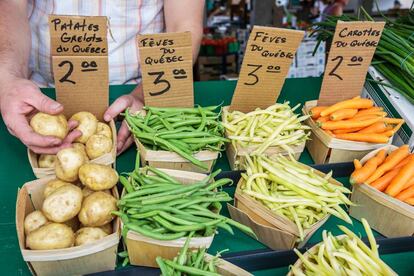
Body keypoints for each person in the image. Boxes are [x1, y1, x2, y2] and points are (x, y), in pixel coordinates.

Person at [0, 0, 204, 155]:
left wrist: (146, 96)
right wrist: (8, 79)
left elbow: (184, 24)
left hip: (141, 97)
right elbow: (9, 5)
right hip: (40, 96)